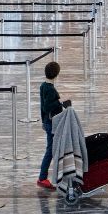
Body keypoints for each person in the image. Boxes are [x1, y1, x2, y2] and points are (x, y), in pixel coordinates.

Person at [36, 61, 67, 190]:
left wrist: (43, 120)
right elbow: (47, 106)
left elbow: (42, 107)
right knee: (51, 150)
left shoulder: (43, 86)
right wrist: (60, 105)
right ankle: (43, 177)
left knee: (52, 149)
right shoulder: (49, 89)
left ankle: (53, 175)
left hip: (48, 122)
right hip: (52, 123)